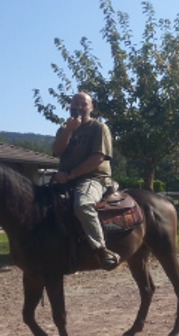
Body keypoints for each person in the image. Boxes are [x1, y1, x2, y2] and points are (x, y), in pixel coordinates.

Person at [52, 92, 120, 270]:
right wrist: (69, 130)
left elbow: (98, 158)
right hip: (64, 178)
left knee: (82, 205)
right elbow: (56, 152)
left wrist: (71, 175)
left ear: (91, 108)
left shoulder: (98, 128)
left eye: (84, 104)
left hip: (93, 178)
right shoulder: (63, 129)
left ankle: (102, 250)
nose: (79, 107)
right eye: (75, 104)